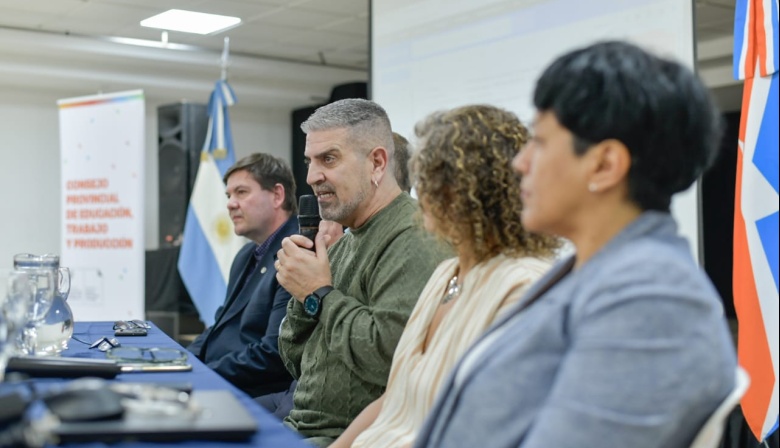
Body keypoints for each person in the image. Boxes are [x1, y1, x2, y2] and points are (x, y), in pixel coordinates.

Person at [413, 41, 738, 448]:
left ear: (604, 165)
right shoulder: (599, 274)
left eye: (541, 141)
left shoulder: (652, 297)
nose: (520, 162)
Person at [331, 104, 561, 448]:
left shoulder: (523, 288)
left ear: (472, 189)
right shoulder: (445, 274)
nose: (421, 192)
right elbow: (394, 401)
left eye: (431, 177)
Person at [272, 98, 449, 447]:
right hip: (298, 428)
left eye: (329, 159)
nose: (311, 176)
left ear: (377, 163)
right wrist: (303, 292)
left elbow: (387, 361)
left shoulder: (413, 236)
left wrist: (318, 294)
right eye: (310, 161)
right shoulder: (343, 243)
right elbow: (296, 360)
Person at [187, 153, 298, 398]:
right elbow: (219, 326)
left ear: (277, 195)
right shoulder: (246, 254)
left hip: (256, 394)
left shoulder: (297, 251)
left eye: (241, 192)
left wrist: (202, 374)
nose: (230, 203)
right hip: (221, 378)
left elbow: (274, 352)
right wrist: (182, 360)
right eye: (229, 195)